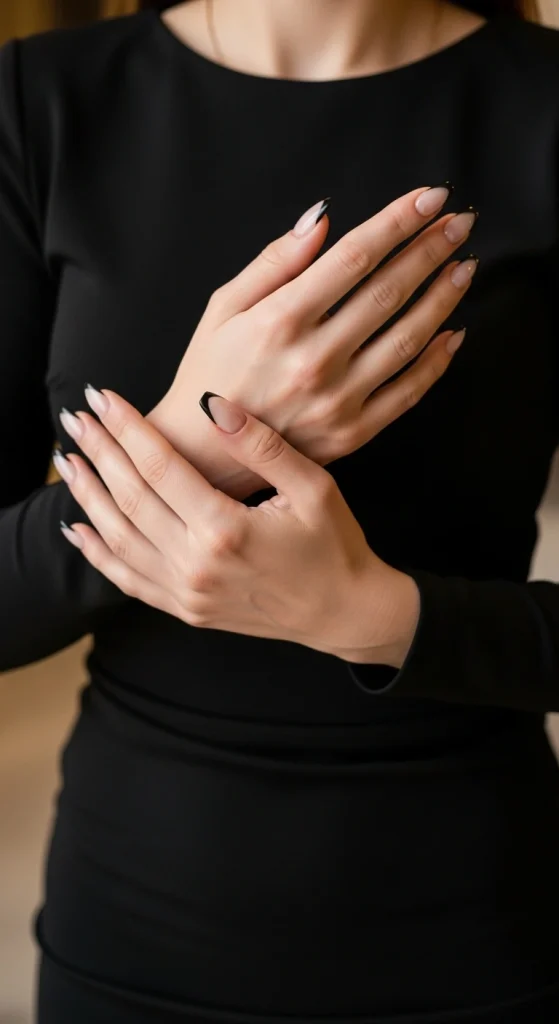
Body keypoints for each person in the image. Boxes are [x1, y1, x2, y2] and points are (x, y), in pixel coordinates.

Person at [1, 0, 559, 1019]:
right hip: (127, 946)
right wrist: (192, 446)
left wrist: (378, 616)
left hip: (477, 940)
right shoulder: (37, 103)